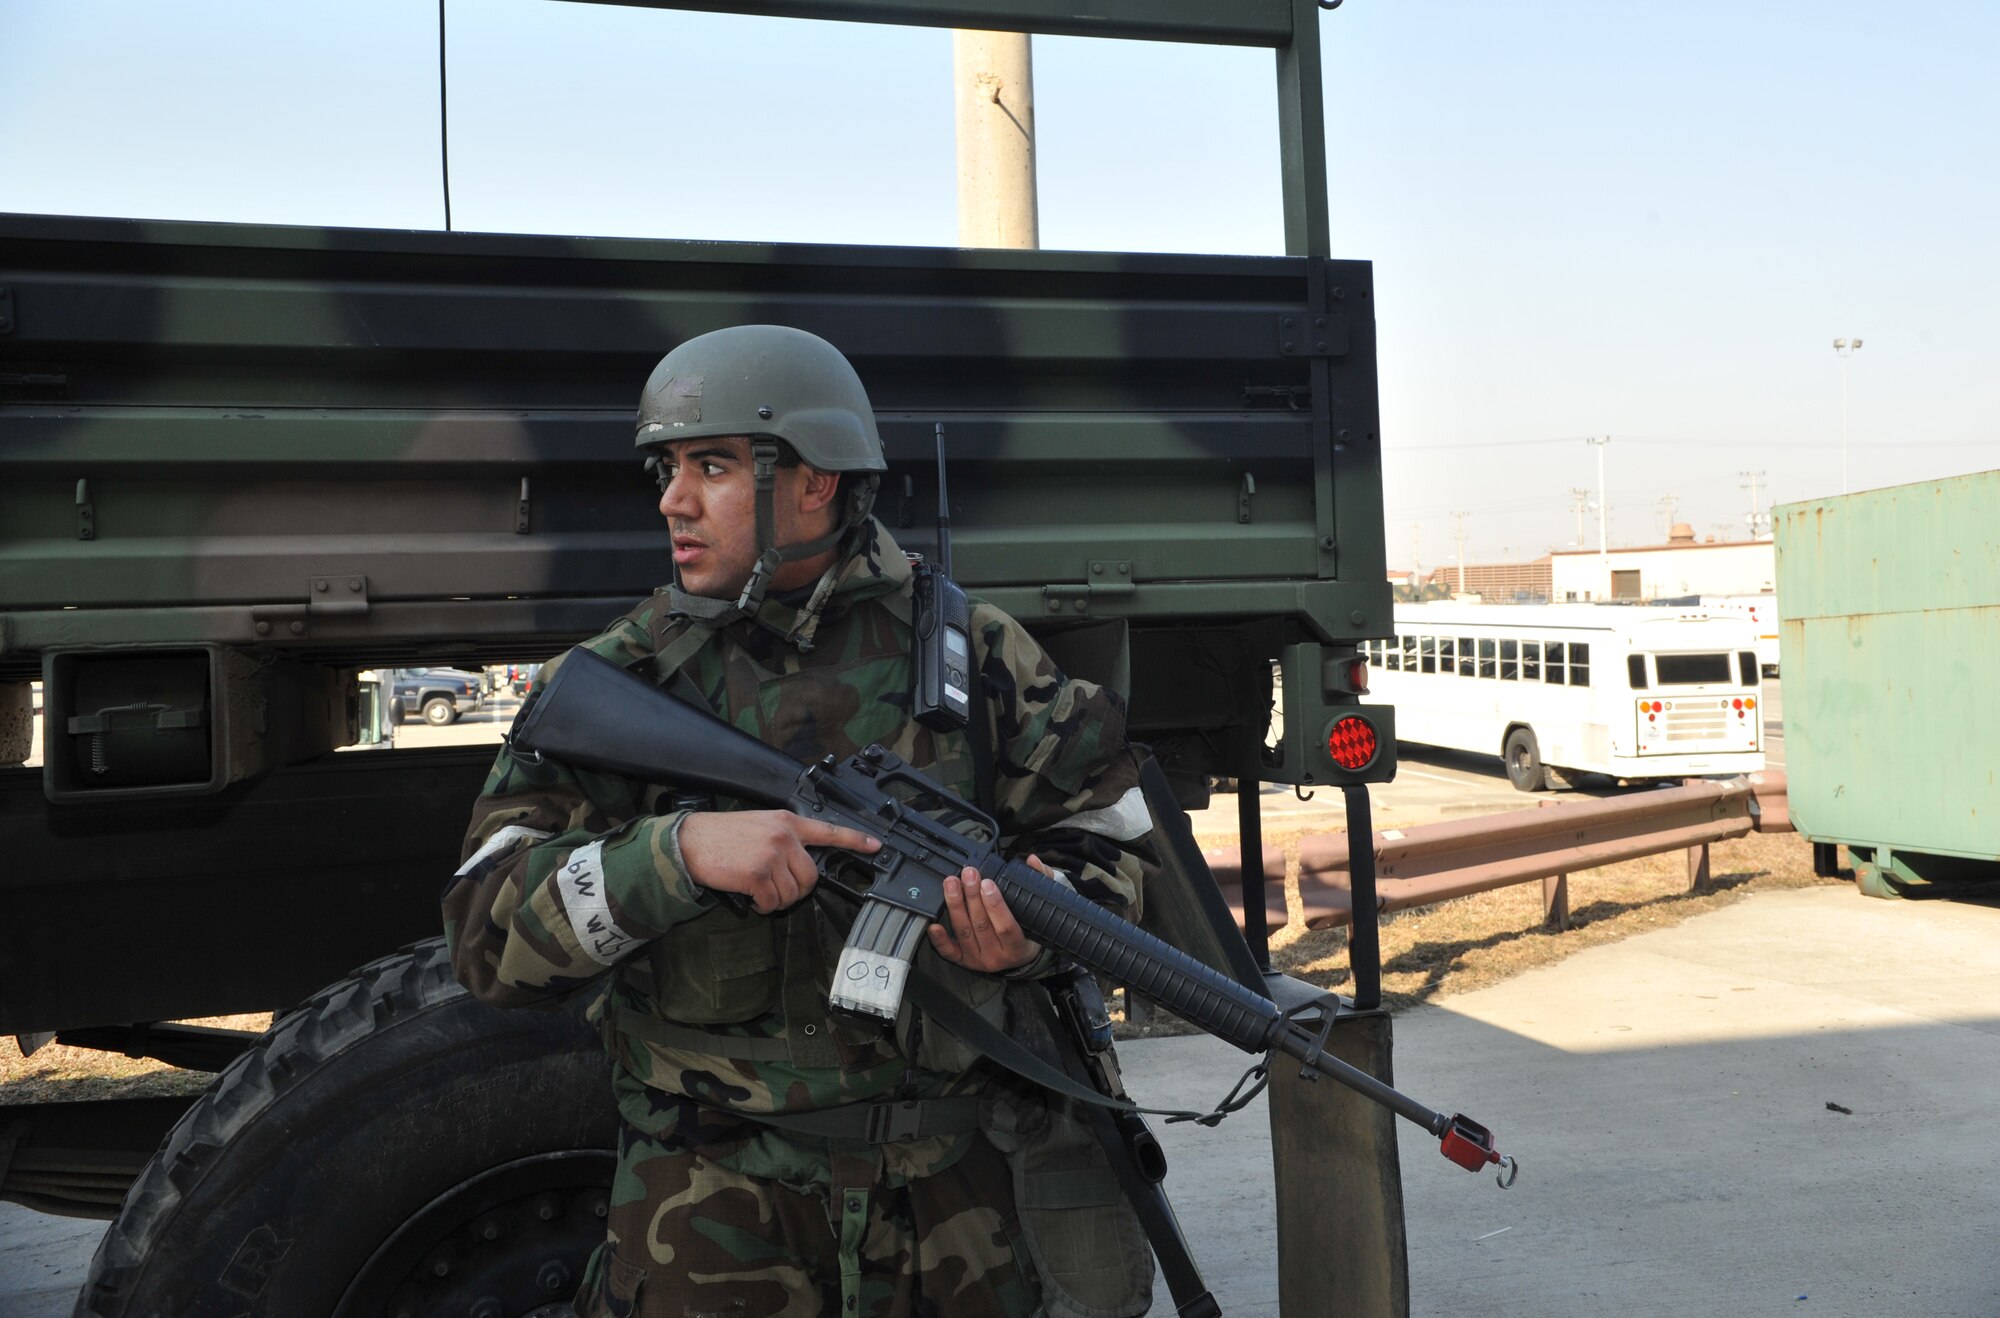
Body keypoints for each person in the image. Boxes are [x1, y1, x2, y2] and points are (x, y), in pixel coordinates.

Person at [443, 325, 1159, 1318]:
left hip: (953, 1216)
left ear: (813, 482)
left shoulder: (975, 656)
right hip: (706, 1216)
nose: (671, 500)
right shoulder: (617, 682)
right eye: (668, 467)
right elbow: (484, 942)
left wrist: (1031, 924)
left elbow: (1120, 853)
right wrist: (675, 855)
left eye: (712, 464)